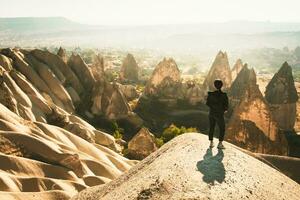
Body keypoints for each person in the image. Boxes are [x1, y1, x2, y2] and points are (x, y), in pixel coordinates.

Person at [206, 79, 228, 149]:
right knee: (222, 128)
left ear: (214, 86)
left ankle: (211, 143)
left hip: (211, 113)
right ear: (221, 86)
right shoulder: (224, 95)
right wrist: (222, 110)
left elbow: (207, 103)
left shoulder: (210, 94)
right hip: (219, 114)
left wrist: (213, 107)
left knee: (211, 127)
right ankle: (220, 143)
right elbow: (226, 106)